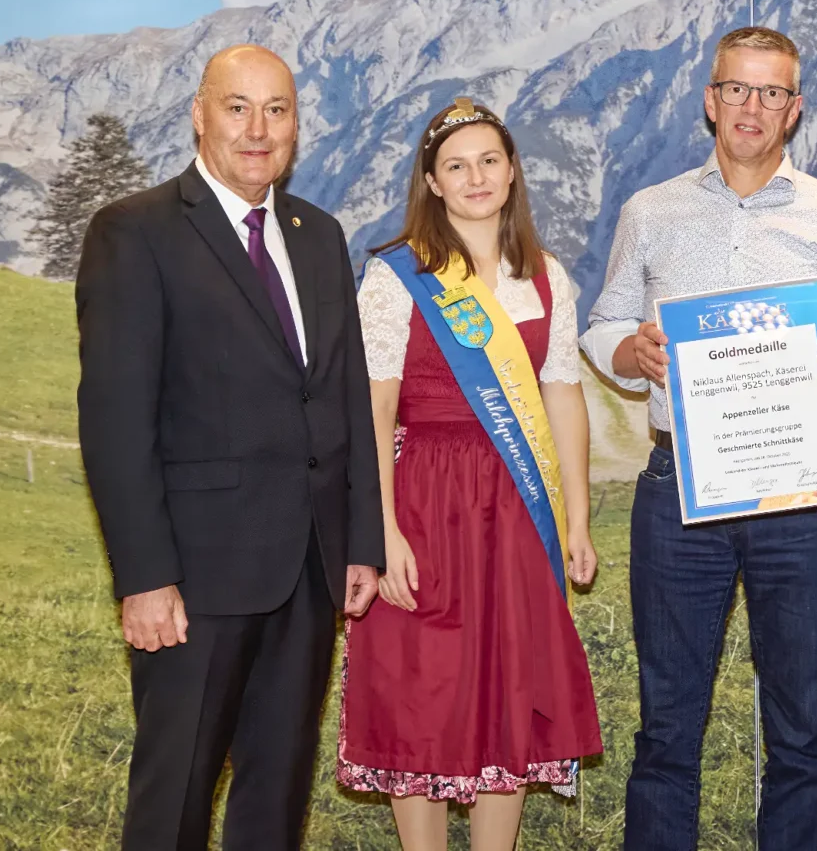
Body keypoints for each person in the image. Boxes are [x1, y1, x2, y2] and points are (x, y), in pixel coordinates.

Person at [581, 25, 817, 851]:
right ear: (708, 100)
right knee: (666, 728)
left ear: (794, 109)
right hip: (678, 489)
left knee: (800, 729)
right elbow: (603, 323)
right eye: (737, 89)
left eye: (772, 92)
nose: (752, 107)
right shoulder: (652, 211)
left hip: (802, 495)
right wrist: (629, 349)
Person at [75, 44, 384, 849]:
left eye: (277, 110)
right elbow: (115, 419)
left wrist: (360, 542)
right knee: (174, 797)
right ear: (199, 115)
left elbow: (342, 392)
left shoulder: (318, 234)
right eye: (238, 107)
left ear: (296, 126)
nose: (258, 129)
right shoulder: (133, 232)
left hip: (310, 572)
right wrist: (145, 577)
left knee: (275, 800)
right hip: (196, 578)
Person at [337, 98, 602, 851]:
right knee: (420, 686)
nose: (476, 177)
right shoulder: (398, 276)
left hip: (517, 509)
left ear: (513, 170)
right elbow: (373, 411)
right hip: (422, 499)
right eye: (456, 165)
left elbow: (563, 398)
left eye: (489, 160)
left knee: (508, 685)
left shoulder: (545, 278)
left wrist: (577, 518)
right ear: (433, 181)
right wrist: (380, 530)